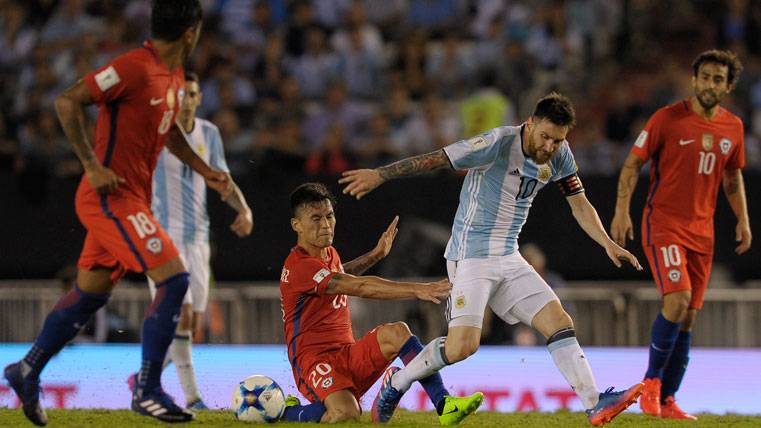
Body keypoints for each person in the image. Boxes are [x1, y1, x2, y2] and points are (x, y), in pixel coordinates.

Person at [340, 92, 644, 426]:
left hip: (508, 255)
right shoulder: (496, 143)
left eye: (558, 140)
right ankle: (396, 384)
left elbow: (579, 202)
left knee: (559, 322)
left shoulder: (560, 155)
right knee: (462, 348)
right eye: (545, 137)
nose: (549, 147)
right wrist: (381, 174)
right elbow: (438, 159)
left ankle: (594, 402)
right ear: (529, 124)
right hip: (470, 256)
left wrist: (606, 244)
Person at [3, 1, 225, 424]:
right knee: (175, 278)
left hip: (132, 200)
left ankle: (26, 370)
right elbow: (67, 102)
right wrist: (91, 164)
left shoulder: (175, 76)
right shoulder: (134, 67)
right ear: (191, 33)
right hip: (109, 197)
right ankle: (146, 389)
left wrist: (207, 171)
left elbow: (170, 132)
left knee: (91, 294)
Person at [610, 49, 751, 420]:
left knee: (687, 316)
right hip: (664, 225)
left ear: (728, 86)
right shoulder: (667, 119)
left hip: (702, 234)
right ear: (694, 80)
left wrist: (743, 220)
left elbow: (732, 177)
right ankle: (651, 384)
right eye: (704, 76)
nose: (709, 84)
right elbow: (631, 164)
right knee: (677, 299)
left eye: (718, 79)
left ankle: (668, 399)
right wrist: (622, 210)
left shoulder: (733, 127)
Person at [279, 182, 483, 424]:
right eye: (315, 218)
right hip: (315, 363)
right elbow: (358, 286)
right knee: (346, 413)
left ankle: (444, 404)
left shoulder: (327, 254)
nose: (325, 225)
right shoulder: (300, 266)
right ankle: (283, 412)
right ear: (297, 225)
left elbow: (342, 275)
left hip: (347, 354)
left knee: (397, 332)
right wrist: (417, 289)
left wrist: (374, 256)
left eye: (329, 216)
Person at [131, 71, 254, 409]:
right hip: (163, 236)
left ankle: (143, 377)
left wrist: (244, 209)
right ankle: (192, 397)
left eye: (192, 94)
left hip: (199, 238)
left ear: (199, 98)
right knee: (180, 313)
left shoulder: (209, 133)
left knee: (191, 323)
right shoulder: (156, 132)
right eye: (181, 94)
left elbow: (222, 179)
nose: (186, 99)